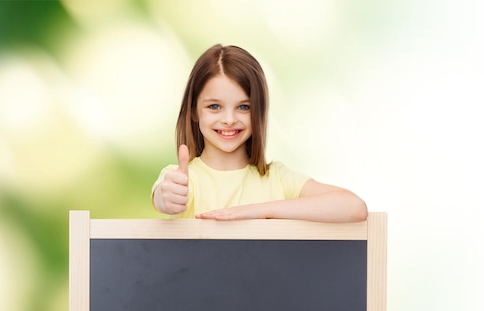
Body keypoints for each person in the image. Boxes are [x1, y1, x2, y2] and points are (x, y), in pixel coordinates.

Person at [152, 44, 368, 223]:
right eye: (214, 107)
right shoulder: (181, 180)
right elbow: (164, 197)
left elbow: (354, 207)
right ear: (193, 111)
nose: (229, 119)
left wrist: (259, 210)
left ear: (259, 112)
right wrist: (166, 198)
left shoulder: (278, 179)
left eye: (244, 107)